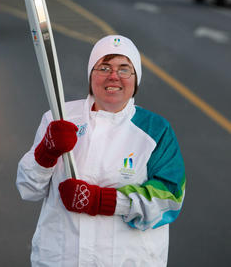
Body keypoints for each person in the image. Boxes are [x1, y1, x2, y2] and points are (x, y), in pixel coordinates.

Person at [16, 34, 185, 267]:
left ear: (136, 79)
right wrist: (47, 151)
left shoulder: (155, 130)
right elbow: (28, 188)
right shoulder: (59, 117)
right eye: (103, 67)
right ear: (91, 75)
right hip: (60, 259)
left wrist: (100, 200)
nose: (113, 76)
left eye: (124, 69)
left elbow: (171, 199)